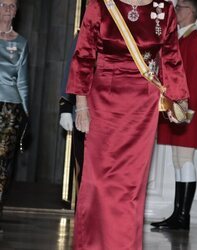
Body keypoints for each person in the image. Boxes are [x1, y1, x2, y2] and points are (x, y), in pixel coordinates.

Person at [66, 0, 189, 249]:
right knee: (98, 182)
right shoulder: (100, 5)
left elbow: (171, 58)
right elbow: (84, 55)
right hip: (102, 102)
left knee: (129, 187)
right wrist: (81, 105)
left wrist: (180, 101)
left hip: (141, 108)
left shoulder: (164, 10)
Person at [151, 0, 197, 230]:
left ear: (190, 12)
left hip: (185, 111)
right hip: (178, 109)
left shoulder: (195, 41)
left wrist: (182, 111)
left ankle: (183, 216)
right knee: (177, 161)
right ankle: (178, 215)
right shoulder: (181, 39)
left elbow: (192, 81)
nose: (174, 10)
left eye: (179, 6)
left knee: (184, 160)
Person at [0, 0, 29, 232]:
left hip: (10, 110)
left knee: (2, 164)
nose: (8, 9)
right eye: (2, 4)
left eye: (12, 5)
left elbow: (23, 82)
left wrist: (26, 117)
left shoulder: (21, 43)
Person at [59, 32, 85, 196]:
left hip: (116, 114)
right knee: (84, 168)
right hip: (85, 113)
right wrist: (66, 107)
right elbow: (72, 69)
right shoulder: (85, 34)